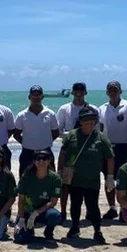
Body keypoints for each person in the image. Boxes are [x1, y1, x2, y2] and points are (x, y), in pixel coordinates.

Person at [58, 106, 115, 244]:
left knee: (93, 206)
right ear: (80, 121)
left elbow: (110, 157)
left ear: (95, 121)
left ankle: (97, 230)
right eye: (85, 120)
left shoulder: (101, 137)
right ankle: (75, 226)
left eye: (91, 120)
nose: (88, 123)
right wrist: (60, 171)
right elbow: (63, 153)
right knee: (75, 204)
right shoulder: (72, 135)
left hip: (92, 180)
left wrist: (110, 176)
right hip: (75, 179)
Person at [97, 80, 127, 220]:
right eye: (110, 90)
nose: (113, 92)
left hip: (123, 147)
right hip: (107, 148)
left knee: (123, 180)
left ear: (120, 91)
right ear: (107, 92)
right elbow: (99, 132)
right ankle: (112, 208)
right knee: (108, 180)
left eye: (115, 90)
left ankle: (123, 209)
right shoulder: (101, 108)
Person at [55, 82, 91, 218]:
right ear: (72, 92)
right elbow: (58, 130)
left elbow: (97, 130)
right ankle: (63, 211)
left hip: (86, 151)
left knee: (86, 183)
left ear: (85, 92)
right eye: (76, 89)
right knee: (65, 183)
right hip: (69, 150)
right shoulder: (64, 109)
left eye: (81, 89)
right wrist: (73, 134)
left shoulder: (92, 109)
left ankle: (88, 211)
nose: (79, 92)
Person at [14, 149, 62, 243]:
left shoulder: (55, 178)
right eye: (38, 158)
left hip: (43, 211)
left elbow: (53, 202)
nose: (41, 161)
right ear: (34, 161)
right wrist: (21, 218)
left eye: (44, 158)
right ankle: (29, 230)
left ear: (49, 161)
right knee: (20, 239)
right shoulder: (27, 176)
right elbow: (21, 199)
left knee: (55, 216)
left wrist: (36, 213)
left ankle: (49, 231)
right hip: (27, 211)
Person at [12, 85, 59, 178]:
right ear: (29, 97)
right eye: (33, 95)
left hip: (46, 152)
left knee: (49, 179)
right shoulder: (22, 115)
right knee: (25, 179)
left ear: (42, 97)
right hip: (27, 153)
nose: (36, 97)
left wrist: (45, 142)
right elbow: (16, 134)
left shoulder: (50, 114)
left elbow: (56, 133)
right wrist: (27, 143)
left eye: (38, 95)